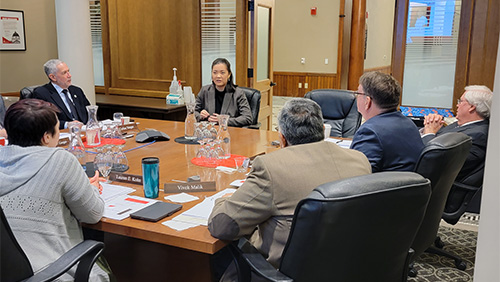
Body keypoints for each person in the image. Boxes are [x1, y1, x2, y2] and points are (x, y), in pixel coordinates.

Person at [208, 98, 371, 271]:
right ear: (323, 131)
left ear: (282, 138)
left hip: (291, 271)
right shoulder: (360, 159)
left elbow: (222, 226)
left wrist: (223, 200)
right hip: (350, 266)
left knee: (219, 258)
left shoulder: (271, 168)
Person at [0, 99, 109, 281]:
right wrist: (92, 188)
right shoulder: (59, 160)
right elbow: (93, 214)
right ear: (46, 137)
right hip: (49, 271)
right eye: (58, 129)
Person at [422, 85, 492, 212]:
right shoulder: (464, 124)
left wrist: (429, 133)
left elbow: (436, 160)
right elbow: (441, 137)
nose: (457, 105)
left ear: (472, 107)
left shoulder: (477, 135)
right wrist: (432, 124)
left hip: (438, 190)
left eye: (461, 101)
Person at [350, 71, 424, 172]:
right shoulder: (409, 124)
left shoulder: (370, 132)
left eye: (357, 93)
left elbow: (356, 176)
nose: (356, 97)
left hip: (385, 187)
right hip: (406, 184)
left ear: (367, 102)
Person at [33, 59, 91, 129]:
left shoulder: (76, 90)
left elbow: (90, 112)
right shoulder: (42, 93)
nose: (69, 75)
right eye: (64, 73)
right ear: (53, 77)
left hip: (84, 131)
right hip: (62, 133)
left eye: (68, 71)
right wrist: (67, 124)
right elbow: (43, 121)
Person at [195, 58, 253, 127]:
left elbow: (247, 118)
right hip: (209, 132)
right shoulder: (204, 91)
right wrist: (201, 116)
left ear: (229, 74)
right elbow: (192, 112)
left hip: (230, 132)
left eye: (222, 72)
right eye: (215, 72)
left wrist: (223, 120)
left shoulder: (238, 93)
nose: (218, 76)